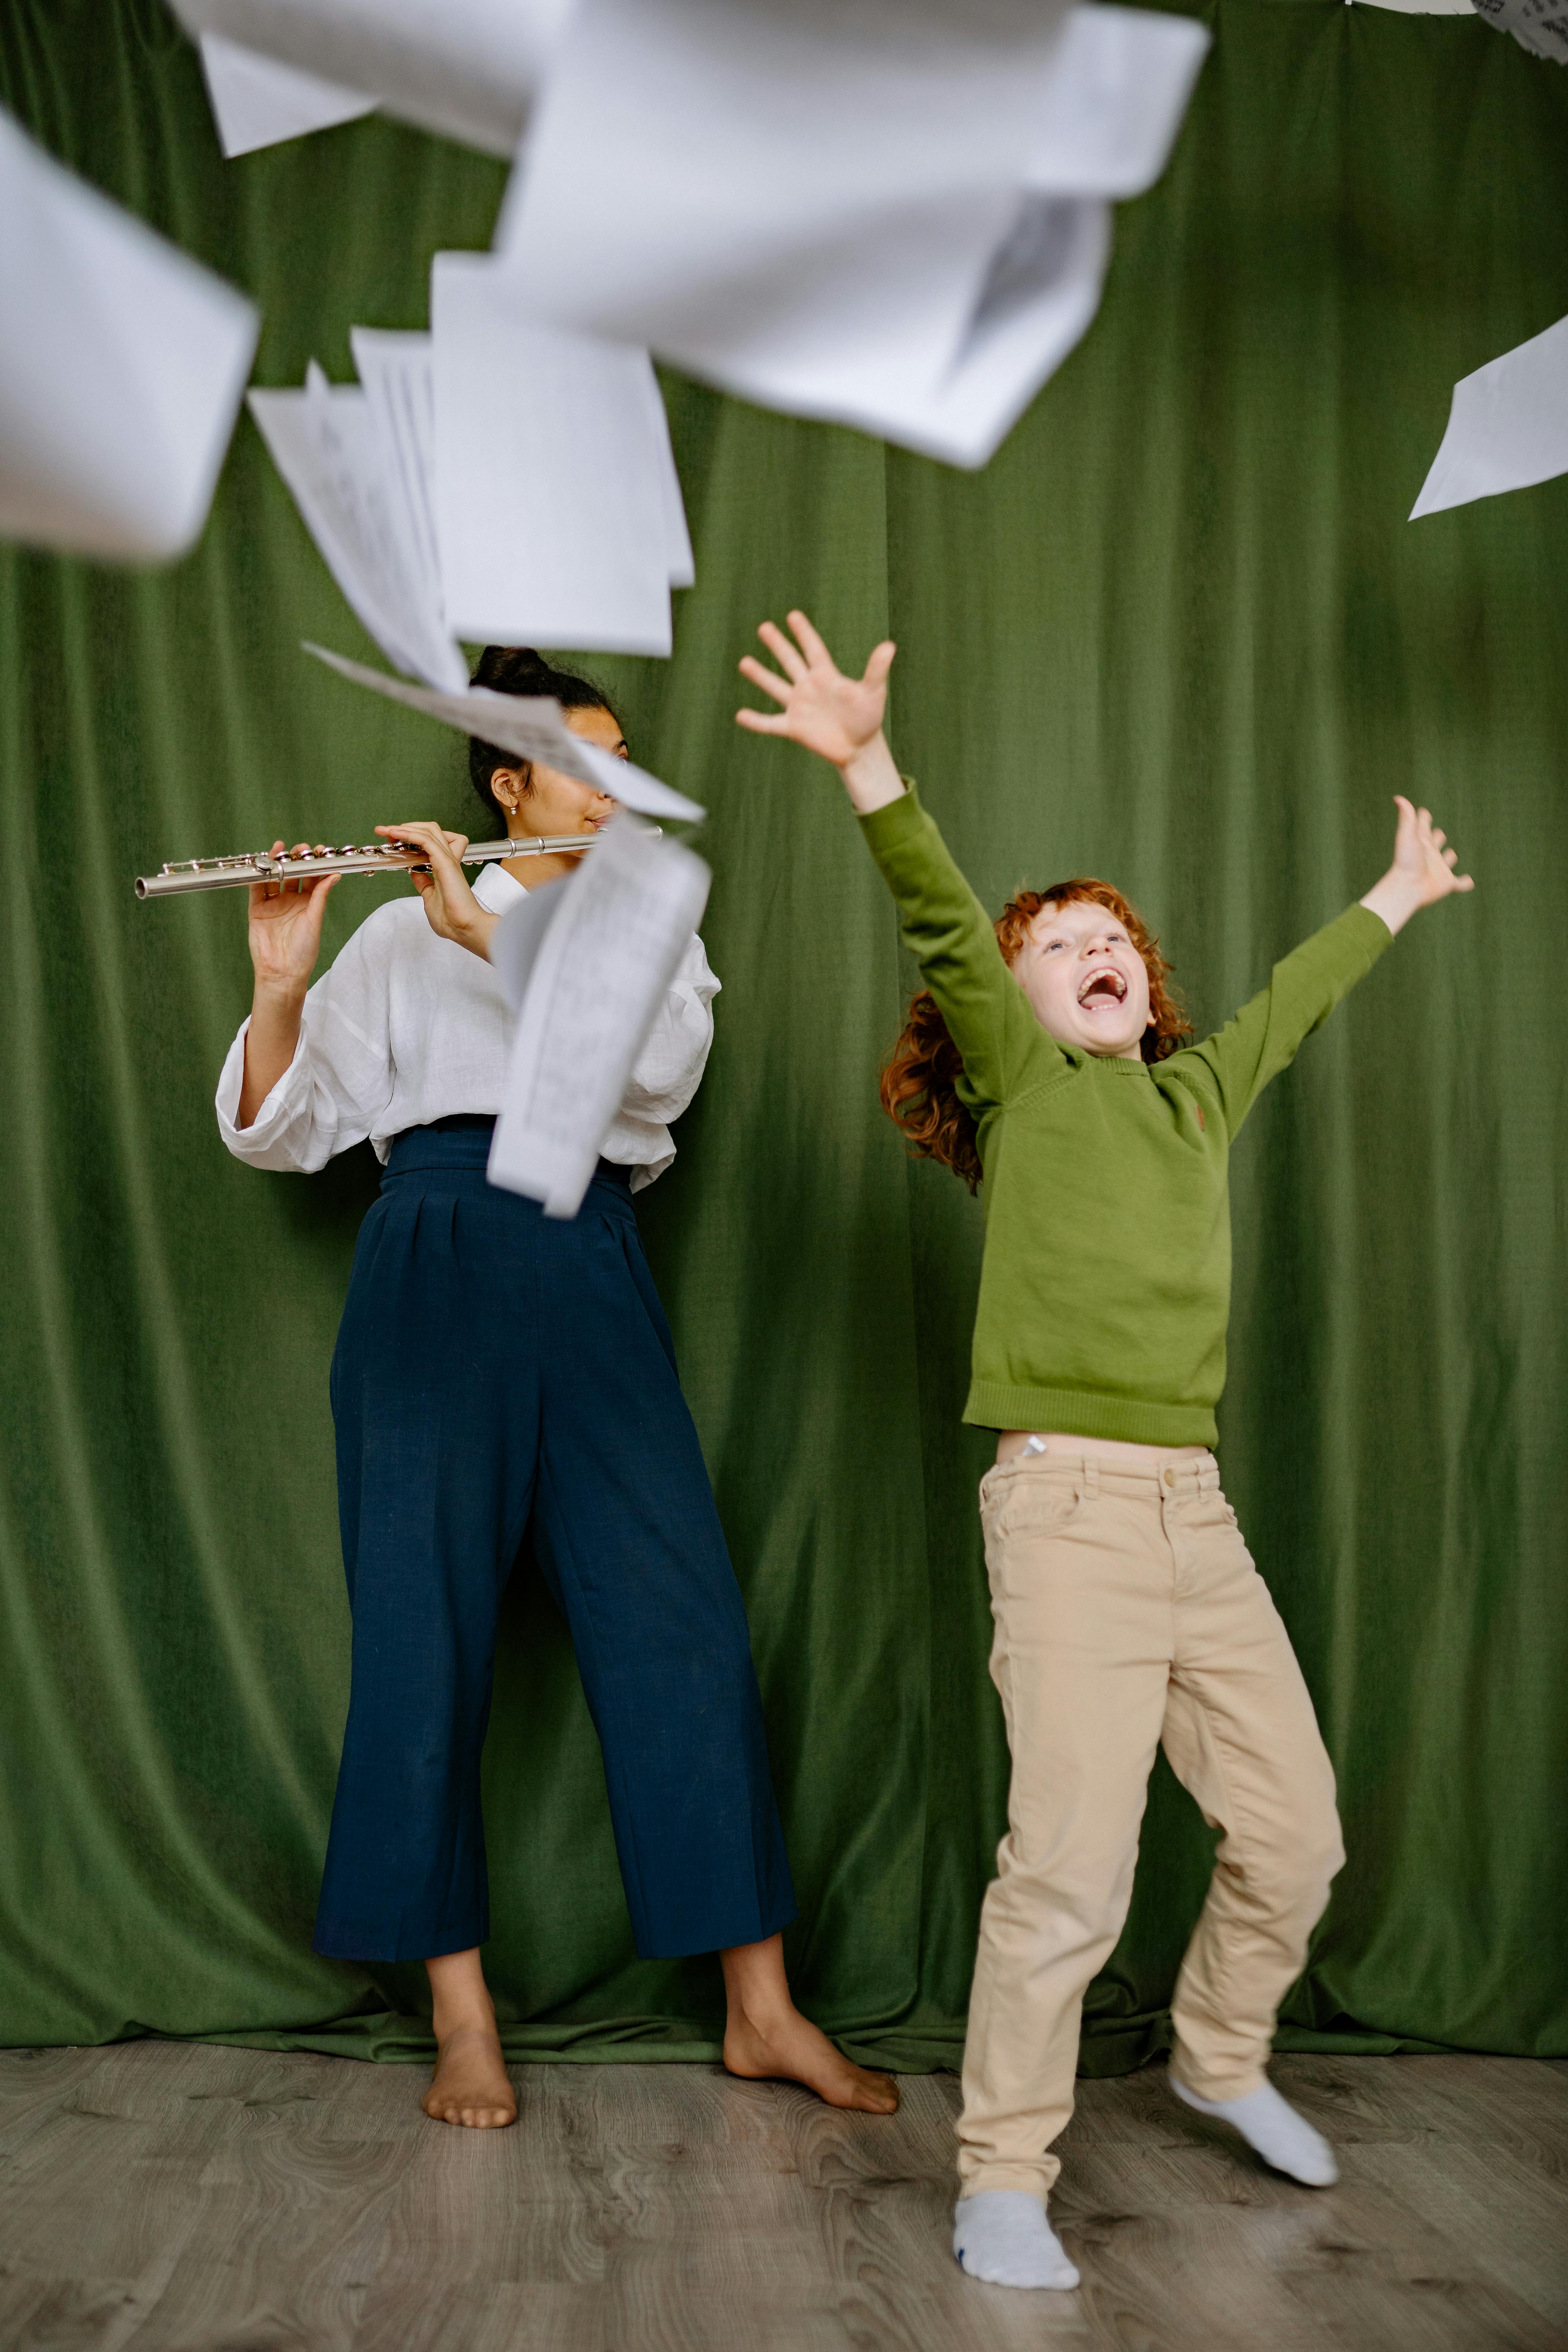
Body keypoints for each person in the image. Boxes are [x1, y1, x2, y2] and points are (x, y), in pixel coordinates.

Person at [735, 609, 1473, 2290]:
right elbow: (935, 907)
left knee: (1296, 1833)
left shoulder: (1196, 1097)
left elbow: (1289, 1000)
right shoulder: (1027, 1093)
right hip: (1062, 1510)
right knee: (1066, 1868)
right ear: (1011, 1005)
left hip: (1195, 1519)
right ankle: (1003, 2170)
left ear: (1145, 985)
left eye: (1109, 934)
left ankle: (1218, 2054)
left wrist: (1397, 899)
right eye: (1056, 940)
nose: (1091, 946)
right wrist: (866, 765)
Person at [218, 644, 897, 2129]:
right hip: (434, 1247)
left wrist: (496, 927)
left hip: (585, 1245)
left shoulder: (648, 919)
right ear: (505, 780)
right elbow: (287, 1130)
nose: (612, 790)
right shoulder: (392, 936)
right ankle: (463, 2020)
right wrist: (280, 981)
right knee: (424, 1633)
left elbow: (654, 1080)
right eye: (577, 764)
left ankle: (760, 2011)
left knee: (686, 1629)